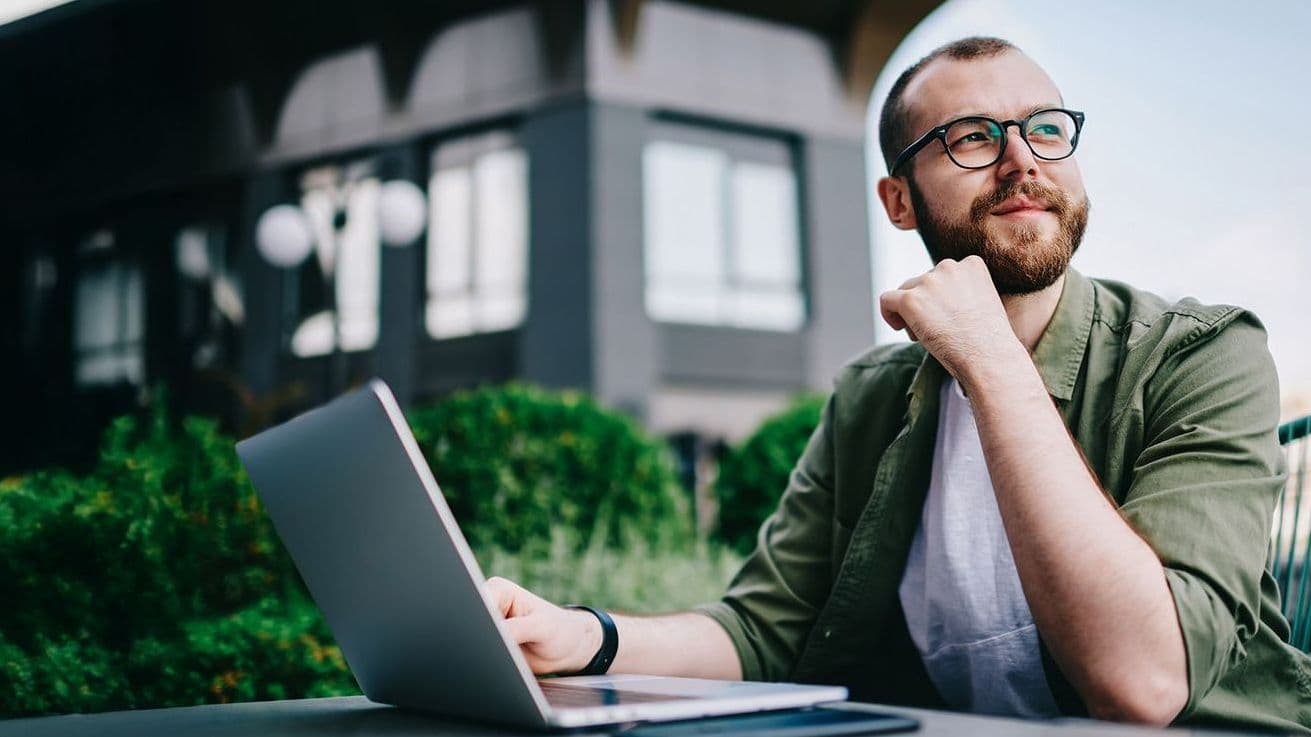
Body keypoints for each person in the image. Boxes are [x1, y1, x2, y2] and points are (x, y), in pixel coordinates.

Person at [486, 37, 1311, 732]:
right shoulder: (869, 398)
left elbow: (1144, 683)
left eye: (1046, 129)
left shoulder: (1201, 355)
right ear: (898, 201)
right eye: (973, 138)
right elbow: (764, 629)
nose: (1023, 161)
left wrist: (989, 358)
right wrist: (581, 636)